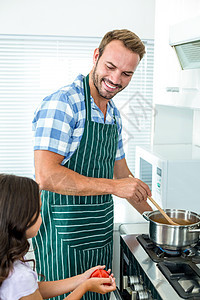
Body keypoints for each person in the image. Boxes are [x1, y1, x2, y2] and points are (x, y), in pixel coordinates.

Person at [32, 29, 152, 300]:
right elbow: (46, 175)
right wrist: (115, 187)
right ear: (96, 56)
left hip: (98, 237)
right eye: (110, 67)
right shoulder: (64, 104)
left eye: (126, 74)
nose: (115, 79)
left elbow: (122, 175)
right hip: (63, 241)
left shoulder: (113, 115)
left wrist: (159, 222)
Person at [0, 173, 116, 300]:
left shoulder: (10, 264)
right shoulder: (21, 277)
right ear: (21, 218)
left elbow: (33, 290)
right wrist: (85, 287)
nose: (42, 216)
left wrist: (83, 278)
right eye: (39, 211)